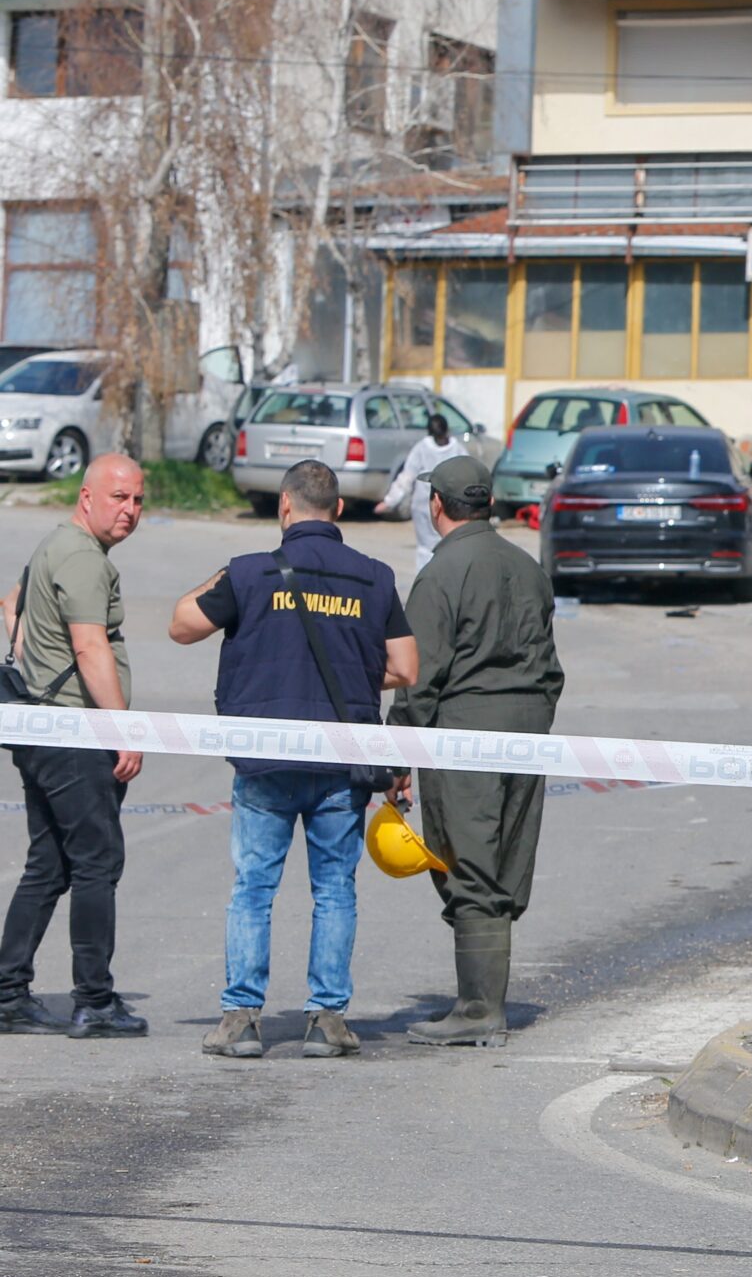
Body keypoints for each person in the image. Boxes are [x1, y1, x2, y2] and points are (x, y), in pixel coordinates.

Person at [171, 459, 417, 1060]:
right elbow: (407, 668)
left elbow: (182, 625)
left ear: (284, 508)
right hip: (343, 762)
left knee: (254, 887)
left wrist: (227, 577)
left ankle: (241, 1020)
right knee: (335, 889)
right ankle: (327, 1020)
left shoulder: (251, 574)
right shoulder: (375, 577)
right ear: (337, 510)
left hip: (266, 762)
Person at [389, 456, 563, 1047]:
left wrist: (394, 755)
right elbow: (550, 668)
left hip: (465, 733)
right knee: (505, 861)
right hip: (527, 730)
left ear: (437, 505)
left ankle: (478, 1009)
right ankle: (485, 1002)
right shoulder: (527, 567)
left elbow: (417, 675)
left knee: (468, 863)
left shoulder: (441, 574)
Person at [0, 455, 147, 1039]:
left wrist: (36, 663)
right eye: (118, 498)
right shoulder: (84, 558)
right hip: (74, 736)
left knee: (51, 864)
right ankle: (96, 1002)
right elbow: (90, 648)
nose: (130, 511)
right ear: (86, 497)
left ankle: (9, 993)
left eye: (137, 500)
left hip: (41, 729)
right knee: (97, 863)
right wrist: (121, 730)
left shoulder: (54, 545)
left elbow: (11, 603)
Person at [380, 408, 473, 573]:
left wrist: (390, 501)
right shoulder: (456, 448)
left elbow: (406, 477)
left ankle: (425, 583)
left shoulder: (422, 448)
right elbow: (469, 473)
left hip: (424, 505)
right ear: (447, 430)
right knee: (448, 543)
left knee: (425, 548)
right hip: (450, 505)